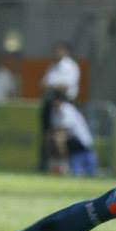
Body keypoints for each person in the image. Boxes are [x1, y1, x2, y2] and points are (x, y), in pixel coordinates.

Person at [38, 43, 80, 171]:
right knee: (47, 135)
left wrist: (52, 86)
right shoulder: (53, 66)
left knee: (60, 137)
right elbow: (43, 84)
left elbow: (66, 86)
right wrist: (54, 86)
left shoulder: (70, 66)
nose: (56, 53)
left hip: (64, 103)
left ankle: (65, 166)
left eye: (59, 51)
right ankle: (50, 165)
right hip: (51, 103)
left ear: (65, 52)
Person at [47, 97, 97, 177]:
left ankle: (64, 163)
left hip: (79, 139)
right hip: (72, 141)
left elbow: (65, 127)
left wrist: (55, 135)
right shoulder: (54, 111)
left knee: (59, 139)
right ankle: (60, 164)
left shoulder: (67, 109)